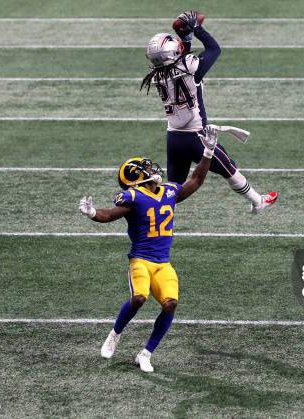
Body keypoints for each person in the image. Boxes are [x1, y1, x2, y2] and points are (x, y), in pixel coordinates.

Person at [78, 126, 217, 373]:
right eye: (147, 169)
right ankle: (115, 334)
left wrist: (207, 152)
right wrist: (92, 214)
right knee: (139, 297)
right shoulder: (133, 197)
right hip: (140, 260)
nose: (153, 170)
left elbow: (195, 181)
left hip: (163, 262)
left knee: (171, 303)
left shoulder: (169, 192)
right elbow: (110, 215)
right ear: (137, 177)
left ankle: (145, 353)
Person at [140, 10, 278, 214]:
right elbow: (214, 49)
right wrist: (197, 29)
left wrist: (185, 39)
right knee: (230, 168)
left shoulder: (156, 76)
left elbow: (178, 60)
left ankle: (153, 216)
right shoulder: (189, 67)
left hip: (174, 138)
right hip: (197, 137)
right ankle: (258, 202)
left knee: (174, 191)